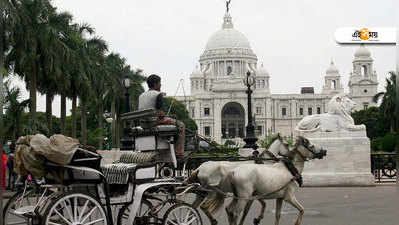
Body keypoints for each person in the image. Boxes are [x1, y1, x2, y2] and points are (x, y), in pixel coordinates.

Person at [138, 74, 185, 158]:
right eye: (160, 83)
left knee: (169, 120)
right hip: (154, 122)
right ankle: (179, 152)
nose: (161, 85)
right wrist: (169, 116)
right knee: (181, 125)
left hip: (143, 123)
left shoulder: (141, 95)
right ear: (155, 84)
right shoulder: (158, 94)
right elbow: (160, 113)